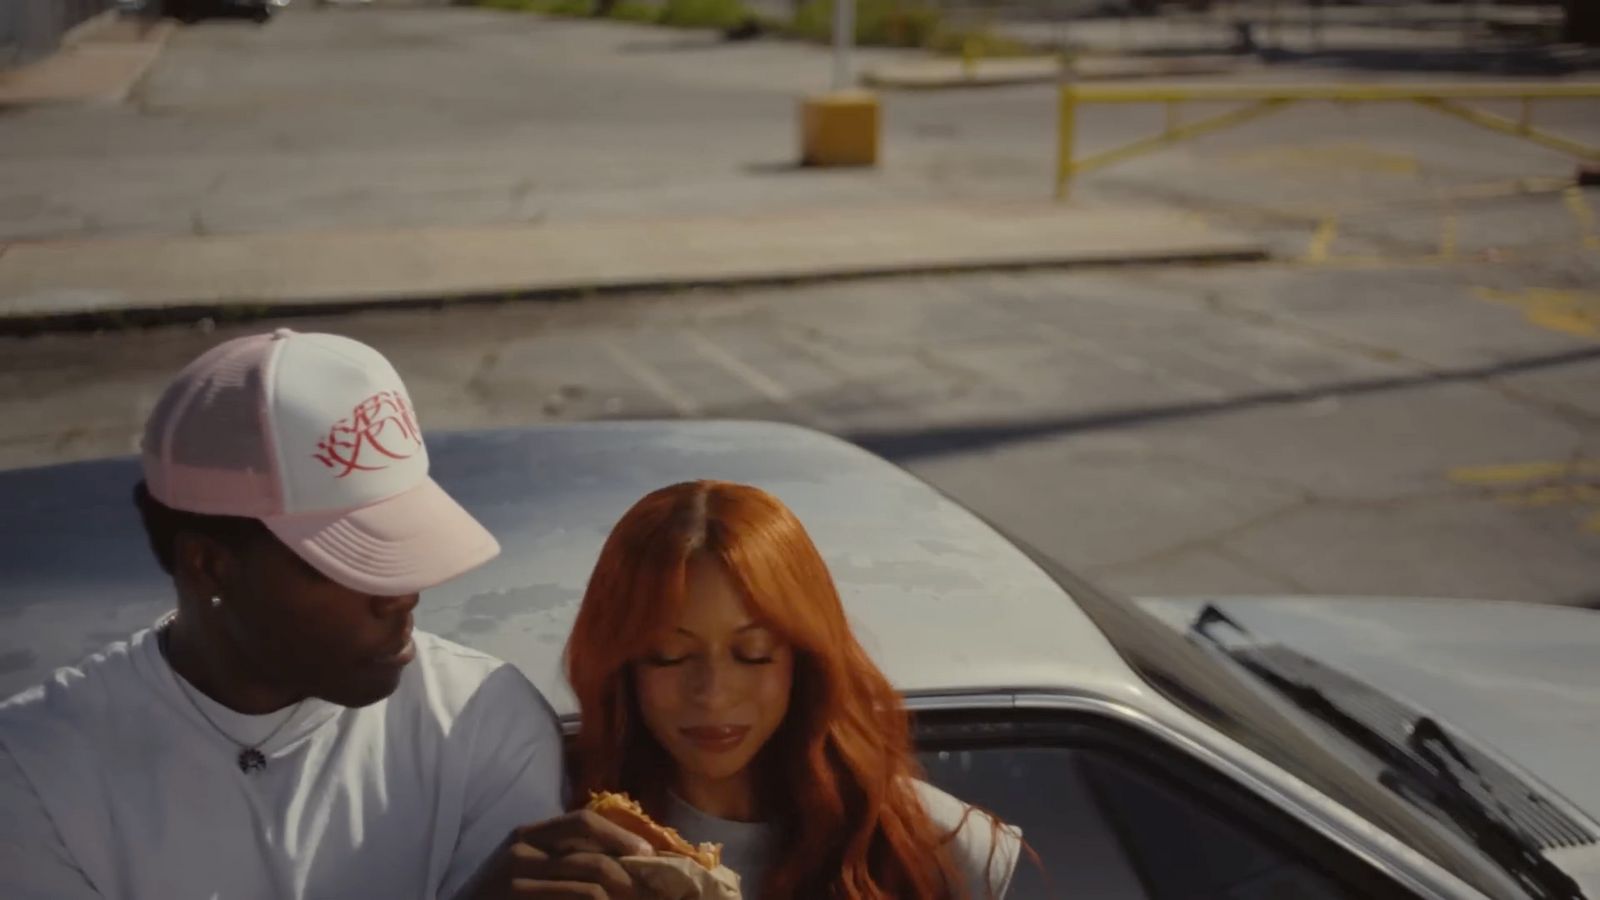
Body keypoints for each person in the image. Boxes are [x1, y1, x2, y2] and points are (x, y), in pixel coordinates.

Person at [0, 328, 651, 899]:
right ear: (208, 565)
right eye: (353, 560)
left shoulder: (484, 719)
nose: (402, 593)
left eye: (404, 542)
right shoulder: (35, 772)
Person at [565, 480, 1024, 899]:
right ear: (619, 663)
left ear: (805, 659)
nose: (713, 694)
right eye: (669, 655)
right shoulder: (569, 841)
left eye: (754, 653)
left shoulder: (934, 846)